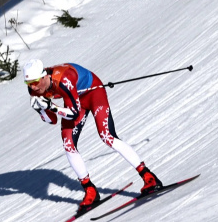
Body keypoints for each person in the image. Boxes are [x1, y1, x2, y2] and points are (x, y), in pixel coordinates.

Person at [24, 59, 162, 213]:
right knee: (68, 144)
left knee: (107, 136)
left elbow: (73, 113)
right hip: (74, 101)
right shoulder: (34, 90)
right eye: (28, 83)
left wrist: (51, 106)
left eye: (35, 82)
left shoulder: (63, 79)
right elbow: (53, 120)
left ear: (43, 76)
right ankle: (90, 190)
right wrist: (41, 110)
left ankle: (148, 176)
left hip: (93, 93)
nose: (33, 87)